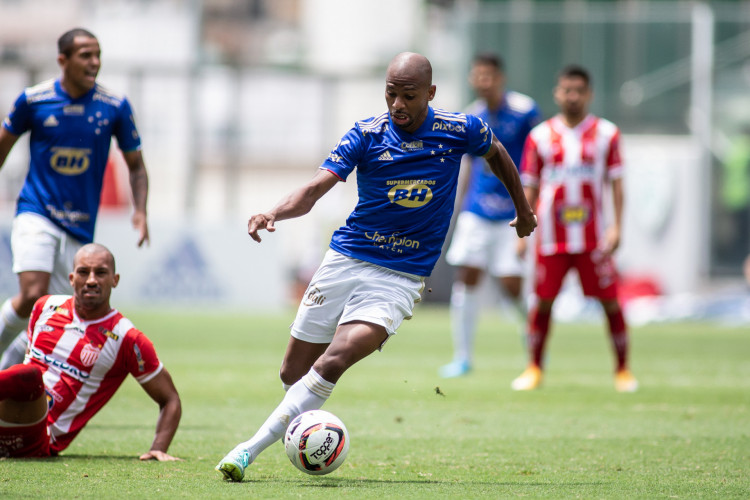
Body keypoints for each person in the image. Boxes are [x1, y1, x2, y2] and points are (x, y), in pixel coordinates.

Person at [215, 52, 537, 481]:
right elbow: (316, 188)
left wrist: (524, 208)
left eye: (408, 95)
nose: (397, 105)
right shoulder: (366, 134)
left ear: (431, 94)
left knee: (338, 357)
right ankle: (303, 421)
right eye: (391, 94)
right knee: (292, 372)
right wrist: (274, 211)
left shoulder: (460, 128)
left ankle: (246, 450)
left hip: (400, 277)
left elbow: (496, 153)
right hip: (346, 261)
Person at [0, 28, 150, 370]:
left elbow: (136, 166)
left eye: (97, 55)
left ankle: (7, 375)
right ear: (62, 60)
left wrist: (140, 211)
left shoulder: (114, 106)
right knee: (32, 294)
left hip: (80, 226)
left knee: (57, 314)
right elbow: (2, 147)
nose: (94, 62)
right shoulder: (33, 101)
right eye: (86, 55)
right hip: (36, 211)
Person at [511, 64, 637, 393]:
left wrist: (617, 227)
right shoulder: (539, 136)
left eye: (579, 91)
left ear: (589, 94)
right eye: (567, 90)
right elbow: (531, 187)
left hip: (593, 237)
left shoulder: (607, 134)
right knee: (543, 301)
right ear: (557, 93)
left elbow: (617, 184)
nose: (573, 97)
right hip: (551, 237)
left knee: (610, 301)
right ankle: (534, 368)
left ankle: (622, 370)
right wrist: (523, 231)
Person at [0, 243, 181, 459]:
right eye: (83, 272)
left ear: (115, 280)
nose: (92, 280)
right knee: (28, 373)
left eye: (101, 273)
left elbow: (170, 399)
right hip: (7, 416)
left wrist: (158, 448)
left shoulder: (127, 338)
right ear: (71, 278)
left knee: (28, 376)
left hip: (39, 437)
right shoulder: (45, 306)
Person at [440, 53, 542, 378]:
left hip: (513, 211)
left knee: (512, 285)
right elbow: (468, 164)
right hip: (477, 210)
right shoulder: (472, 115)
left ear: (501, 78)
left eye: (489, 75)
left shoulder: (525, 111)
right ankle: (463, 357)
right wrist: (456, 210)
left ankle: (535, 351)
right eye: (477, 75)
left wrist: (529, 207)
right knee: (466, 278)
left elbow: (536, 161)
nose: (483, 81)